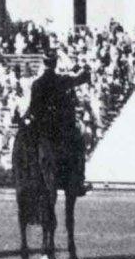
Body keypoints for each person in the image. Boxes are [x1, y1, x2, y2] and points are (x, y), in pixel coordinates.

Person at [26, 50, 93, 195]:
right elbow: (82, 78)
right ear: (55, 63)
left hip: (42, 129)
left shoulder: (37, 84)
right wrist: (84, 68)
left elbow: (32, 108)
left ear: (44, 63)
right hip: (60, 129)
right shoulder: (62, 80)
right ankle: (78, 183)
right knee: (80, 145)